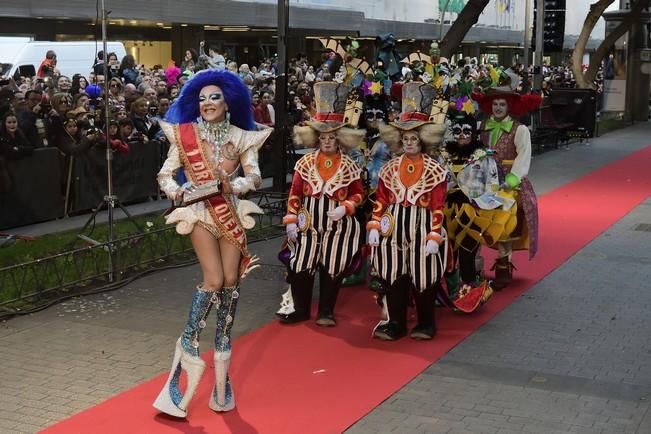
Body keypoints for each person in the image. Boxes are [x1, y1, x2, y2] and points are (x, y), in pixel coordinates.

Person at [153, 70, 272, 417]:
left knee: (232, 283)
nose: (207, 103)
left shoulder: (241, 137)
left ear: (228, 102)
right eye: (202, 98)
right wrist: (179, 192)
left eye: (214, 97)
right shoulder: (184, 135)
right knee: (214, 280)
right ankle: (189, 346)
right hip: (200, 214)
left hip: (231, 212)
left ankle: (222, 361)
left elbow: (254, 176)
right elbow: (164, 175)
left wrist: (233, 185)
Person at [277, 81, 365, 327]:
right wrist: (291, 220)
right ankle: (301, 309)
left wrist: (346, 207)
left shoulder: (350, 165)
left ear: (339, 139)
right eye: (323, 137)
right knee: (301, 266)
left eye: (332, 137)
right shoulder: (304, 163)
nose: (327, 141)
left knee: (333, 266)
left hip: (338, 227)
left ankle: (326, 310)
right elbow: (294, 194)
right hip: (307, 225)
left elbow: (359, 194)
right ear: (317, 138)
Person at [369, 81, 448, 340]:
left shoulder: (435, 169)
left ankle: (426, 324)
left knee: (424, 275)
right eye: (406, 139)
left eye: (414, 138)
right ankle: (396, 323)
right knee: (394, 276)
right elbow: (381, 199)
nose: (410, 142)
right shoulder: (389, 168)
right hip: (392, 228)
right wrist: (374, 224)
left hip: (423, 227)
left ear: (423, 140)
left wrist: (435, 234)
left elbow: (438, 204)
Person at [475, 87, 541, 290]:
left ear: (509, 107)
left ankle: (504, 266)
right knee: (476, 222)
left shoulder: (519, 129)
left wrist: (512, 180)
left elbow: (523, 156)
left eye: (502, 104)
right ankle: (474, 266)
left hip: (508, 182)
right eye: (495, 104)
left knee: (505, 224)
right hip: (484, 180)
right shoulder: (482, 125)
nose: (498, 108)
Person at [436, 109, 496, 313]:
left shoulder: (482, 156)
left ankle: (469, 291)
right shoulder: (444, 155)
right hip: (446, 210)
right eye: (458, 131)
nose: (462, 135)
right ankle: (450, 289)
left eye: (466, 131)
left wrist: (487, 206)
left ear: (473, 133)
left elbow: (492, 183)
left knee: (467, 252)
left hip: (471, 211)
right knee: (446, 250)